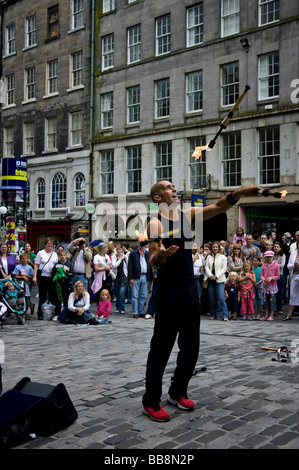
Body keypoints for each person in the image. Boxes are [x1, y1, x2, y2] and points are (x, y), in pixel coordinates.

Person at [142, 180, 261, 422]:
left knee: (191, 347)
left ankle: (177, 392)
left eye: (173, 186)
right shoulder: (154, 223)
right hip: (169, 292)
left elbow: (218, 206)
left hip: (189, 289)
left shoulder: (188, 214)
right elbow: (154, 261)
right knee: (161, 349)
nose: (173, 188)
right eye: (167, 187)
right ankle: (150, 401)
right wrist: (162, 256)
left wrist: (238, 193)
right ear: (157, 199)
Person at [33, 237, 59, 320]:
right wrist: (34, 276)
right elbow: (36, 266)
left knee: (53, 296)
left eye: (51, 244)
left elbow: (57, 265)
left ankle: (53, 313)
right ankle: (40, 314)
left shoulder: (54, 254)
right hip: (43, 277)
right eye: (48, 243)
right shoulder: (40, 253)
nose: (50, 245)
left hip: (52, 277)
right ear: (45, 245)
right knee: (42, 296)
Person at [205, 241, 229, 321]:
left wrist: (217, 276)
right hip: (211, 279)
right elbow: (207, 267)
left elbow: (224, 268)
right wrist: (211, 275)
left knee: (221, 298)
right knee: (212, 298)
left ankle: (224, 315)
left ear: (218, 248)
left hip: (220, 280)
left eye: (216, 247)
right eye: (214, 247)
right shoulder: (209, 257)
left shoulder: (223, 257)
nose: (215, 248)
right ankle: (213, 314)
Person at [127, 241, 151, 319]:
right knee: (135, 295)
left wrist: (149, 277)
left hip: (145, 276)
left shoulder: (147, 253)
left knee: (143, 296)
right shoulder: (133, 253)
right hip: (136, 277)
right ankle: (135, 312)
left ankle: (141, 311)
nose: (143, 246)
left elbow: (149, 265)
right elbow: (129, 266)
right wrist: (130, 278)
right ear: (138, 244)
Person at [260, 250, 280, 322]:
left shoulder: (276, 265)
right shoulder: (264, 265)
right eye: (267, 257)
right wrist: (263, 279)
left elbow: (278, 276)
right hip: (266, 286)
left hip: (272, 285)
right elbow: (261, 275)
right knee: (266, 300)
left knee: (272, 300)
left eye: (270, 257)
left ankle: (271, 315)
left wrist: (272, 278)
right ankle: (266, 314)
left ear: (273, 257)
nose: (268, 259)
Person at [13, 253, 33, 319]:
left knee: (27, 297)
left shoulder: (29, 267)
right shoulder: (18, 267)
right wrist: (23, 277)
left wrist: (24, 275)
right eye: (23, 259)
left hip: (27, 284)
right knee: (20, 297)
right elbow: (16, 276)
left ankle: (26, 312)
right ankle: (22, 311)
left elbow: (31, 276)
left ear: (27, 259)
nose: (24, 260)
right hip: (20, 284)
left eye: (25, 258)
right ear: (20, 259)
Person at [283, 240, 299, 321]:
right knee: (293, 295)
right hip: (295, 276)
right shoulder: (293, 254)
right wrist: (294, 265)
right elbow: (288, 266)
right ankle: (289, 314)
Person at [111, 244, 129, 314]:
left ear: (122, 250)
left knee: (122, 292)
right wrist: (120, 259)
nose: (119, 251)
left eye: (120, 249)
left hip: (123, 276)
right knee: (117, 293)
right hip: (116, 276)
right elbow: (114, 265)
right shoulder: (113, 256)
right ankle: (118, 306)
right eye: (117, 249)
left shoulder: (126, 257)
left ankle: (122, 307)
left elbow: (128, 266)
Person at [273, 241, 286, 315]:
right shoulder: (272, 255)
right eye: (275, 247)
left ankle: (279, 308)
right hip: (272, 275)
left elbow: (282, 265)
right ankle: (273, 308)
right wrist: (277, 264)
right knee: (273, 292)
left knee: (279, 292)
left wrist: (274, 265)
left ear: (280, 248)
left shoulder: (283, 255)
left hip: (279, 274)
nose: (276, 248)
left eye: (277, 247)